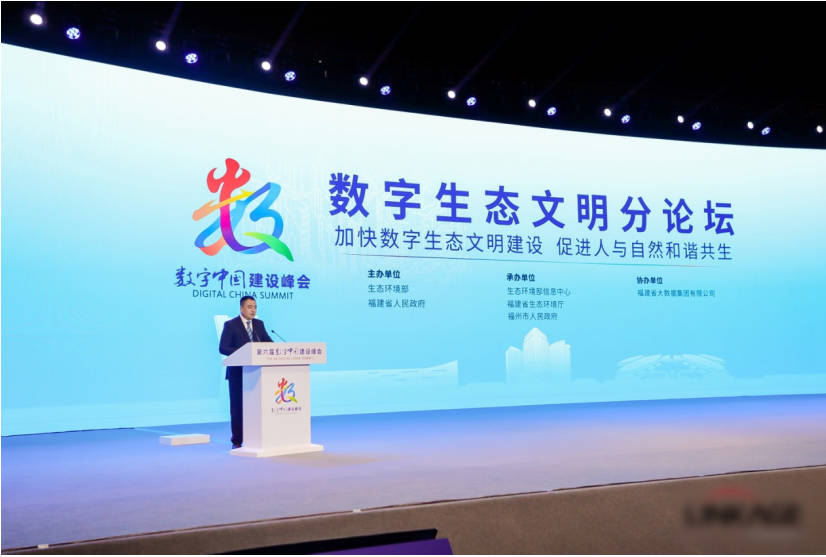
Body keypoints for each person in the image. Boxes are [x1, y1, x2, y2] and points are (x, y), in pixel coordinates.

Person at [219, 296, 273, 448]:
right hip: (238, 373)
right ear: (241, 308)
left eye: (255, 307)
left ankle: (257, 437)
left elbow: (268, 343)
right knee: (238, 408)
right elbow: (223, 348)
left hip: (258, 373)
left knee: (258, 407)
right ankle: (237, 440)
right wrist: (246, 352)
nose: (253, 310)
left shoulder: (259, 324)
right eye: (250, 307)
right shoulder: (231, 325)